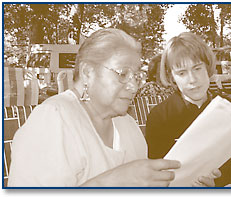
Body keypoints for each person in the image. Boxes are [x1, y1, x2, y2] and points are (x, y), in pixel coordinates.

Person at [8, 28, 217, 187]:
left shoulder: (127, 125)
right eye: (123, 73)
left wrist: (184, 182)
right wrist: (116, 181)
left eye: (137, 76)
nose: (134, 86)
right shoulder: (54, 119)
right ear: (88, 72)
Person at [145, 32, 231, 187]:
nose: (193, 79)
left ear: (207, 67)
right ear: (171, 76)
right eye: (182, 73)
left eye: (197, 68)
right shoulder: (160, 117)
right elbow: (157, 173)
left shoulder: (227, 107)